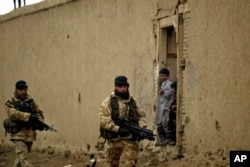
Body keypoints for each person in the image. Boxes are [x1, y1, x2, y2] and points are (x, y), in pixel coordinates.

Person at [99, 75, 147, 167]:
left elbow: (142, 116)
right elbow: (104, 120)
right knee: (111, 164)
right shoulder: (108, 102)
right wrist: (118, 129)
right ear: (116, 87)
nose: (123, 89)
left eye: (125, 86)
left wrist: (141, 128)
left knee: (130, 164)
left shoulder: (133, 101)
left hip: (129, 140)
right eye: (121, 86)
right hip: (114, 140)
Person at [5, 80, 44, 167]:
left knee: (20, 159)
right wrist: (28, 116)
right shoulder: (11, 101)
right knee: (24, 158)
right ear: (16, 90)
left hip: (29, 134)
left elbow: (38, 112)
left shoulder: (30, 101)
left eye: (25, 90)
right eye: (21, 90)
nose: (24, 92)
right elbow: (12, 113)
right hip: (18, 134)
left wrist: (39, 122)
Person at [154, 68, 174, 147]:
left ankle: (169, 138)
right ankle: (163, 138)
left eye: (163, 75)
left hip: (166, 106)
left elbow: (171, 93)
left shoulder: (169, 84)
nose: (161, 77)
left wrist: (164, 92)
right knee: (159, 122)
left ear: (167, 76)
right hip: (162, 106)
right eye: (160, 75)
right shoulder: (163, 84)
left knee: (165, 122)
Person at [168, 81, 177, 145]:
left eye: (173, 88)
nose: (172, 90)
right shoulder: (173, 96)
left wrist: (175, 106)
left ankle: (174, 138)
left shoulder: (179, 95)